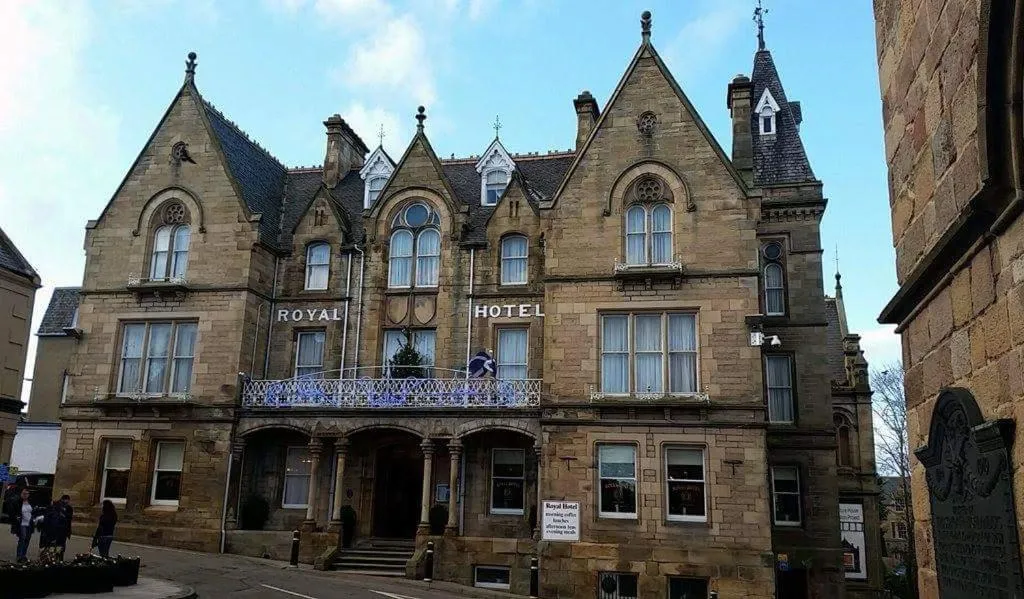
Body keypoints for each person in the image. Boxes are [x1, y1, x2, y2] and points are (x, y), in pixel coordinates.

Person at [6, 488, 40, 562]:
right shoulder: (17, 501)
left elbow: (33, 511)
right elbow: (12, 511)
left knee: (27, 539)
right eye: (23, 493)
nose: (25, 495)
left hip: (29, 523)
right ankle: (19, 556)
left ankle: (23, 555)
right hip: (21, 523)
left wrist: (34, 517)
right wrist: (16, 518)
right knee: (22, 538)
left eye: (26, 494)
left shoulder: (30, 502)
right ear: (21, 494)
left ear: (28, 495)